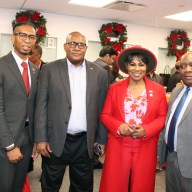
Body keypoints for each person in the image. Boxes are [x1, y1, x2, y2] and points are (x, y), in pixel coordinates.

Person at [34, 31, 109, 192]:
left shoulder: (100, 73)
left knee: (82, 187)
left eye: (80, 44)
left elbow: (103, 109)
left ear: (86, 48)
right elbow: (41, 105)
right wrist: (41, 138)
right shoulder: (49, 69)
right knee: (50, 185)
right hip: (55, 140)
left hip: (85, 142)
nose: (76, 48)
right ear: (65, 47)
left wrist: (102, 139)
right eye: (72, 44)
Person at [99, 46, 168, 192]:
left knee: (142, 185)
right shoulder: (115, 88)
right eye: (133, 64)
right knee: (114, 184)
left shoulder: (158, 90)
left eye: (141, 64)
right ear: (126, 66)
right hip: (119, 144)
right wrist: (119, 127)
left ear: (147, 67)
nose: (137, 69)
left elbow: (163, 117)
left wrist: (147, 130)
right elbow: (105, 115)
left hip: (145, 145)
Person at [0, 22, 39, 192]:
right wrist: (9, 146)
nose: (27, 40)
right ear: (13, 38)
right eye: (22, 35)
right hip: (6, 140)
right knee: (5, 186)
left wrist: (36, 139)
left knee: (17, 185)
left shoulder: (34, 70)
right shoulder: (2, 65)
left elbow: (34, 106)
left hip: (27, 139)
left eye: (31, 37)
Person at [164, 52, 192, 192]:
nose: (187, 69)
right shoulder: (176, 91)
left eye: (191, 65)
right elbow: (168, 124)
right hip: (171, 157)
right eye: (183, 66)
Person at [93, 46, 117, 169]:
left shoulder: (92, 64)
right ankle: (95, 159)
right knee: (100, 132)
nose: (113, 62)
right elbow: (109, 89)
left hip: (91, 105)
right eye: (113, 59)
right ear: (107, 56)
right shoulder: (105, 67)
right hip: (101, 104)